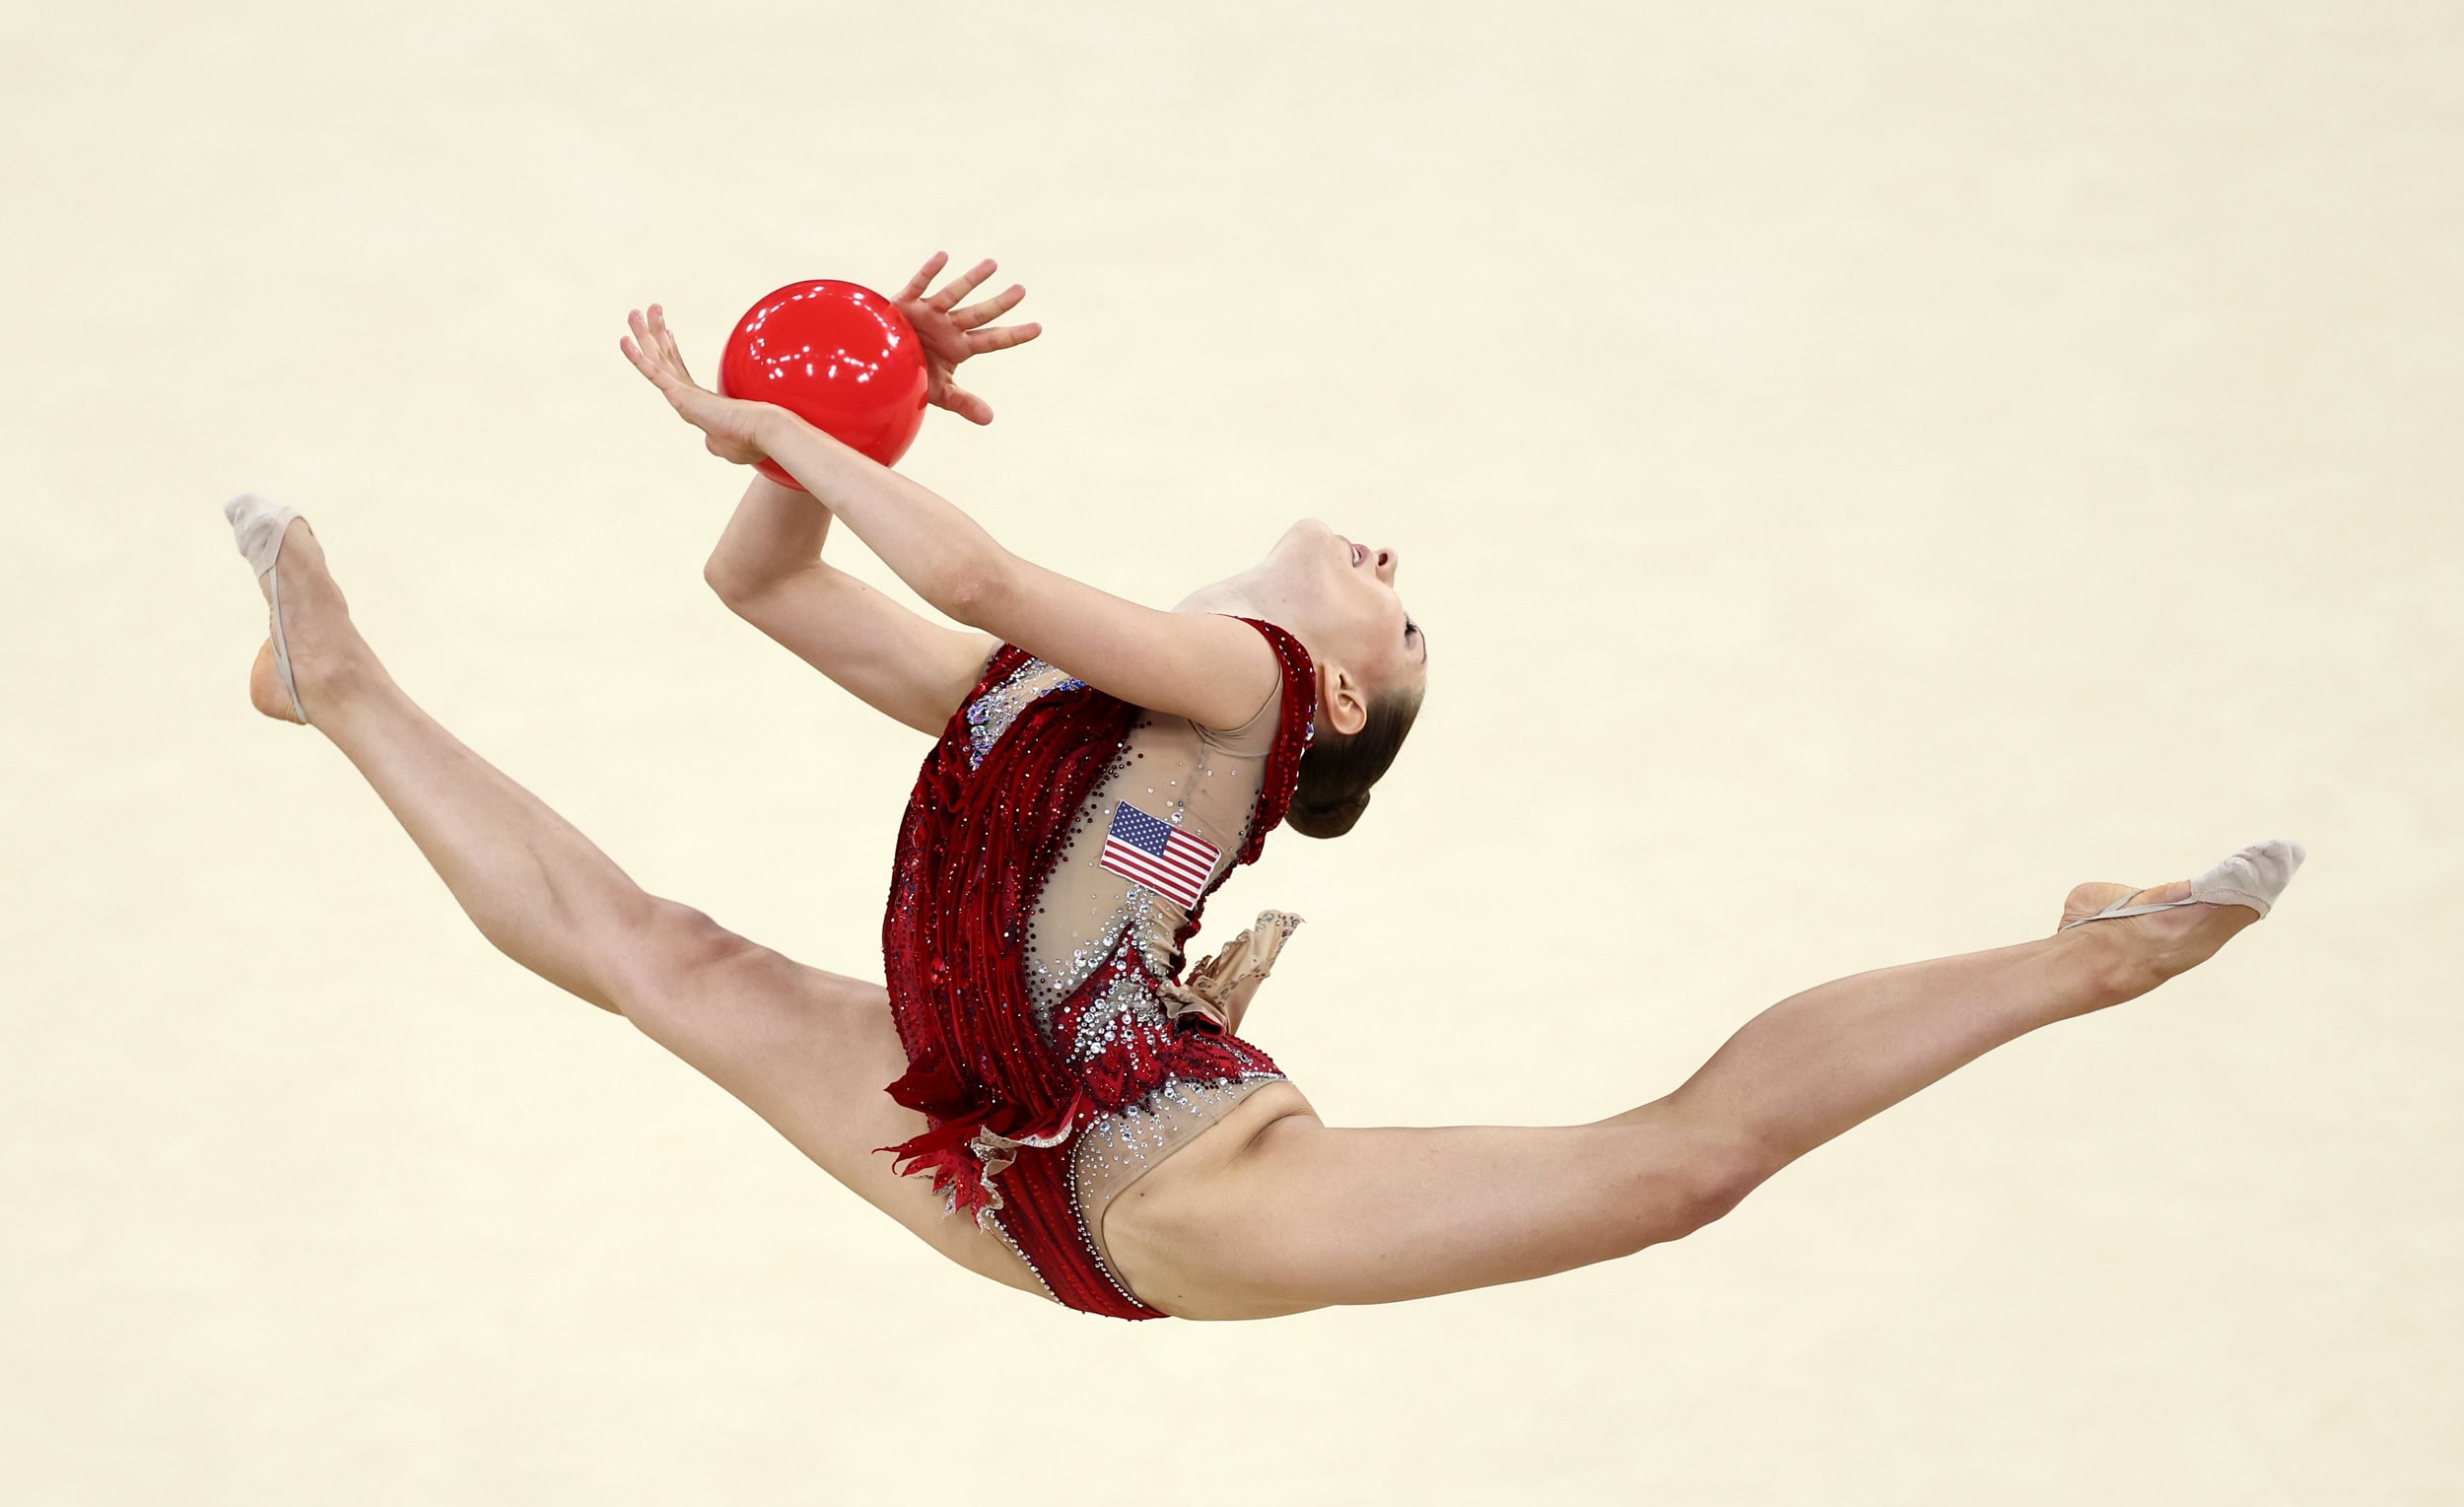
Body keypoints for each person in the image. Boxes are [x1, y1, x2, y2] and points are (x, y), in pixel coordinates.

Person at [218, 250, 2305, 1322]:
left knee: (1669, 1170)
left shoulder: (1245, 678)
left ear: (1332, 709)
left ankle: (2077, 963)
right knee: (649, 952)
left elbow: (955, 559)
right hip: (963, 1139)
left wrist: (776, 412)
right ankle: (339, 686)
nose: (1387, 586)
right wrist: (827, 417)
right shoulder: (1031, 700)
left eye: (1407, 629)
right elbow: (763, 581)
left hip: (1165, 1182)